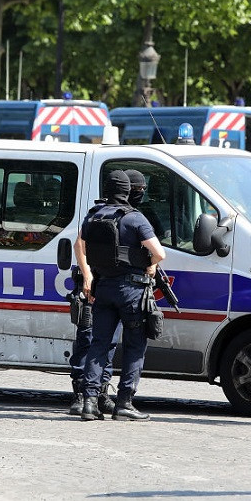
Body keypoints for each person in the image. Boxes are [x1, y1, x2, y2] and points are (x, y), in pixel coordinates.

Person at [77, 170, 165, 421]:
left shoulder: (91, 217)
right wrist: (150, 264)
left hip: (102, 288)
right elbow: (159, 254)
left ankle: (90, 403)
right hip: (131, 291)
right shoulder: (135, 219)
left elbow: (80, 246)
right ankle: (125, 402)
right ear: (128, 191)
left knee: (99, 344)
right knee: (135, 345)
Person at [67, 170, 147, 416]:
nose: (140, 195)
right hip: (96, 282)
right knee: (91, 338)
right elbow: (79, 245)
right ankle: (82, 395)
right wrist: (88, 274)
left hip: (106, 284)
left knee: (107, 342)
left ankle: (100, 393)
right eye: (138, 191)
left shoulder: (130, 216)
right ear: (128, 191)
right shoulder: (102, 214)